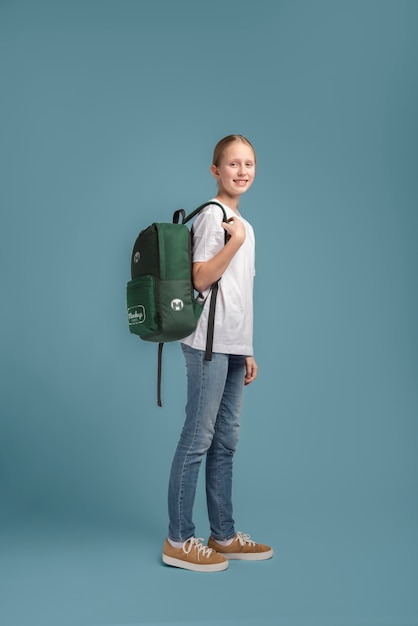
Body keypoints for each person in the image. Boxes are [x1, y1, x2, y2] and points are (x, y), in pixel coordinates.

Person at [162, 135, 273, 572]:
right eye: (233, 164)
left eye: (248, 164)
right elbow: (202, 280)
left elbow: (240, 295)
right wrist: (234, 242)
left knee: (226, 442)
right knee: (198, 439)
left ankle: (222, 534)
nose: (242, 171)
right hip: (206, 347)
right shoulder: (214, 217)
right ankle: (178, 538)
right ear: (216, 170)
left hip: (230, 346)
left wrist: (246, 349)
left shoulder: (244, 223)